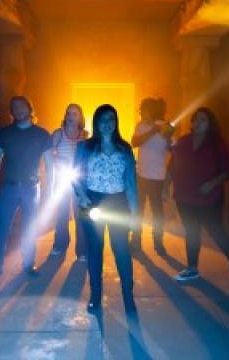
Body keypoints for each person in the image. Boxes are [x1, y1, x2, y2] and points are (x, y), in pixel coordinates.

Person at [73, 104, 139, 313]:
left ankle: (128, 296)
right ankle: (95, 295)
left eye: (111, 119)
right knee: (95, 250)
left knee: (122, 249)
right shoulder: (85, 147)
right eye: (102, 119)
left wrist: (135, 212)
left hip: (119, 202)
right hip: (93, 201)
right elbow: (74, 176)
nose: (107, 123)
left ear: (116, 121)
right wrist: (82, 197)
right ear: (96, 123)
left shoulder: (125, 148)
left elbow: (130, 182)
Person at [164, 107, 229, 281]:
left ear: (210, 124)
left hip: (210, 197)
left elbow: (227, 170)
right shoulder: (184, 141)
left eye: (203, 120)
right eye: (196, 119)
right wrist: (165, 187)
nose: (198, 123)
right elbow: (172, 165)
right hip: (185, 196)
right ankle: (192, 268)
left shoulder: (217, 144)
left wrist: (211, 184)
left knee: (215, 230)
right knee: (192, 231)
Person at [0, 95, 53, 279]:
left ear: (30, 109)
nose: (18, 110)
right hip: (9, 187)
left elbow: (49, 164)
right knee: (1, 227)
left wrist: (50, 189)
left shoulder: (42, 134)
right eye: (14, 107)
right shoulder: (5, 133)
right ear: (11, 111)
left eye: (22, 106)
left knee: (29, 228)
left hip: (32, 188)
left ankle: (29, 264)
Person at [130, 98, 174, 254]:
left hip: (158, 178)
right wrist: (152, 131)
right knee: (138, 210)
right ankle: (136, 240)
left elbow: (173, 150)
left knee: (157, 212)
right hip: (141, 175)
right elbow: (134, 142)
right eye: (141, 109)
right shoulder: (141, 126)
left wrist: (167, 136)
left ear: (153, 110)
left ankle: (158, 242)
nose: (141, 112)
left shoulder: (165, 126)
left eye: (144, 109)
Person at [49, 104, 88, 261]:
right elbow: (49, 156)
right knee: (62, 215)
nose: (71, 116)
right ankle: (60, 245)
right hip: (62, 180)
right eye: (69, 113)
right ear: (65, 116)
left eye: (75, 113)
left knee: (81, 216)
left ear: (80, 118)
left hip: (80, 181)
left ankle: (82, 251)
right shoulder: (58, 134)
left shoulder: (85, 136)